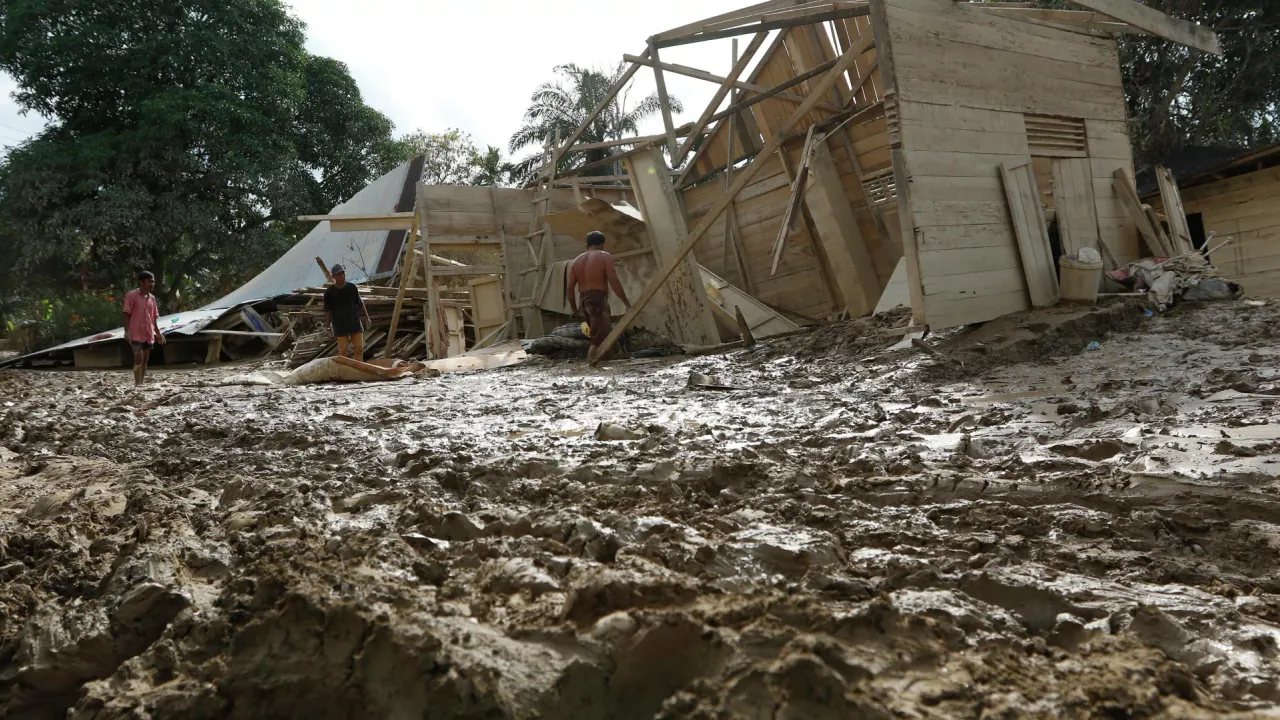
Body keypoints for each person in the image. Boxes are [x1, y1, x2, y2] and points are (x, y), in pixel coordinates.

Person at [567, 230, 631, 362]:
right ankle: (591, 358)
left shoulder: (576, 261)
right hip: (597, 298)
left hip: (583, 300)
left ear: (586, 245)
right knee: (599, 334)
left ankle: (605, 359)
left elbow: (570, 289)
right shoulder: (605, 256)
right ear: (602, 244)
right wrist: (626, 302)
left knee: (596, 331)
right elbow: (613, 280)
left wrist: (574, 309)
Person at [122, 271, 166, 386]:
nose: (152, 284)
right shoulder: (131, 296)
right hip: (135, 333)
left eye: (153, 281)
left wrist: (158, 333)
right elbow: (126, 313)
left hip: (148, 334)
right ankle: (137, 384)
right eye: (149, 281)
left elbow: (154, 317)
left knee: (145, 358)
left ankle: (141, 382)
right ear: (141, 282)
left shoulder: (152, 298)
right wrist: (126, 331)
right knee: (139, 357)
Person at [323, 264, 371, 362]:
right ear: (333, 277)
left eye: (343, 273)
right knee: (343, 352)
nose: (342, 276)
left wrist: (367, 317)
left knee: (359, 349)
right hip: (339, 325)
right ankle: (345, 372)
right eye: (339, 274)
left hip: (354, 323)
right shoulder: (329, 293)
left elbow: (360, 303)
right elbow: (327, 311)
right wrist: (328, 328)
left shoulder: (352, 288)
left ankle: (358, 370)